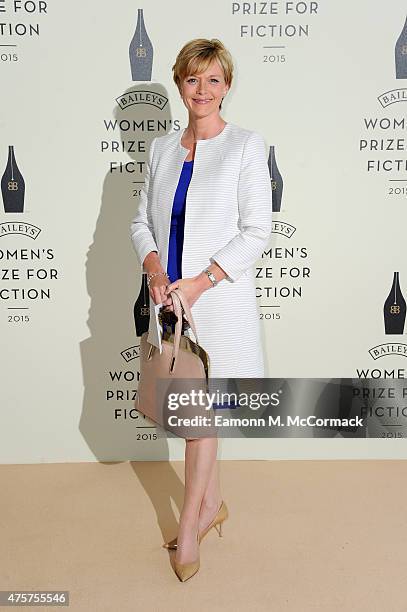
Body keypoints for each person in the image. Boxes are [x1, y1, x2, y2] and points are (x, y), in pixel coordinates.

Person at [130, 38, 272, 582]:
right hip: (169, 302)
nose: (203, 90)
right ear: (179, 84)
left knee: (199, 419)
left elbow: (257, 229)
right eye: (193, 80)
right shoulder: (162, 149)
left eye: (214, 80)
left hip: (219, 301)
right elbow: (141, 220)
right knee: (194, 411)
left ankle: (190, 525)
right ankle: (213, 504)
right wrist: (157, 272)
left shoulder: (245, 146)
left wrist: (201, 282)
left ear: (227, 86)